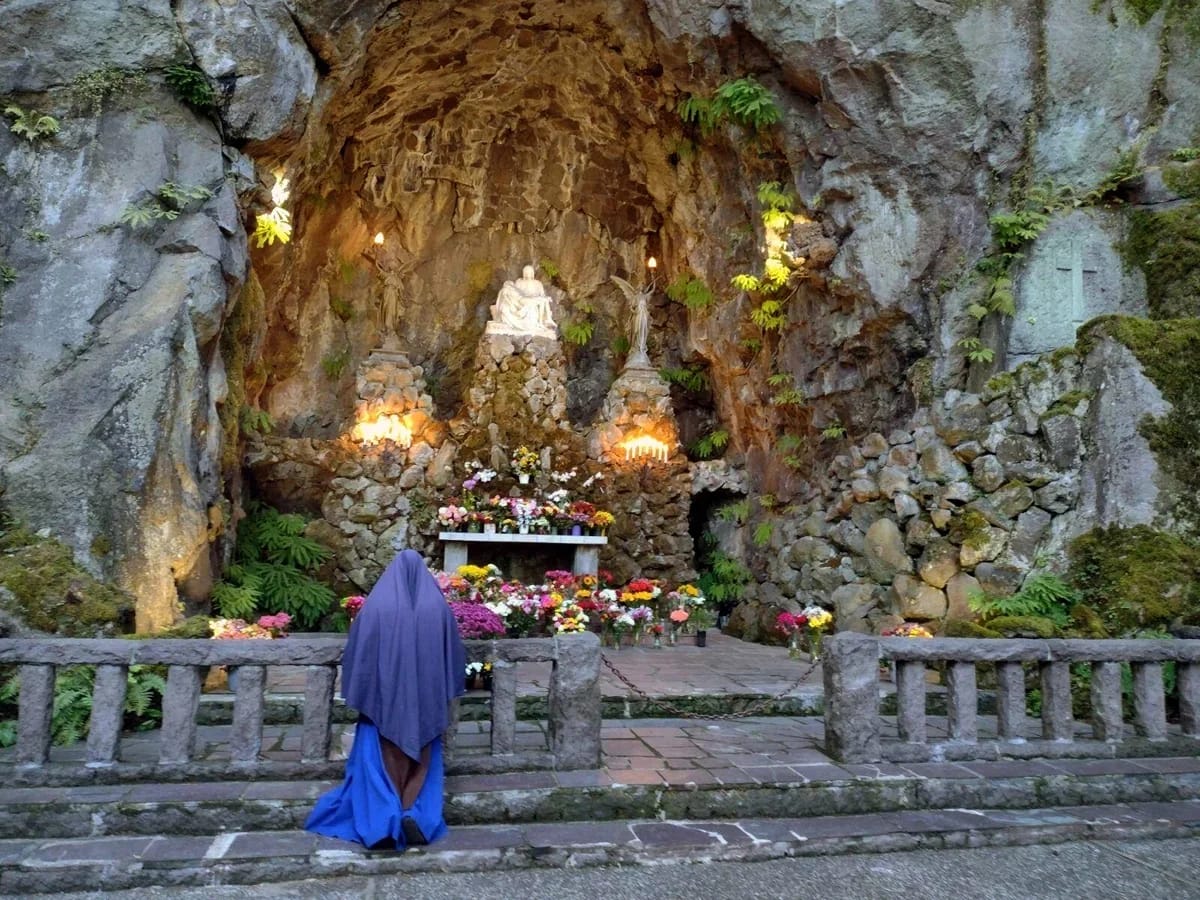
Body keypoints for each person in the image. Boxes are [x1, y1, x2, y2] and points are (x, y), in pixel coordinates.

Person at [306, 549, 466, 849]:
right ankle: (415, 815)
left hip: (380, 708)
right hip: (424, 709)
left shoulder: (377, 606)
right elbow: (452, 655)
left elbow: (359, 653)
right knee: (421, 758)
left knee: (376, 760)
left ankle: (380, 821)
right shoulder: (437, 607)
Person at [488, 264, 557, 336]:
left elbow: (543, 299)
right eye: (526, 272)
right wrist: (510, 301)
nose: (527, 274)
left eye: (529, 272)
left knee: (532, 307)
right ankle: (508, 324)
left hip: (531, 305)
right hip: (519, 304)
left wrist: (544, 319)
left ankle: (537, 324)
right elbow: (516, 295)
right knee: (505, 306)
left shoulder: (538, 284)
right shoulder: (519, 282)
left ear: (533, 273)